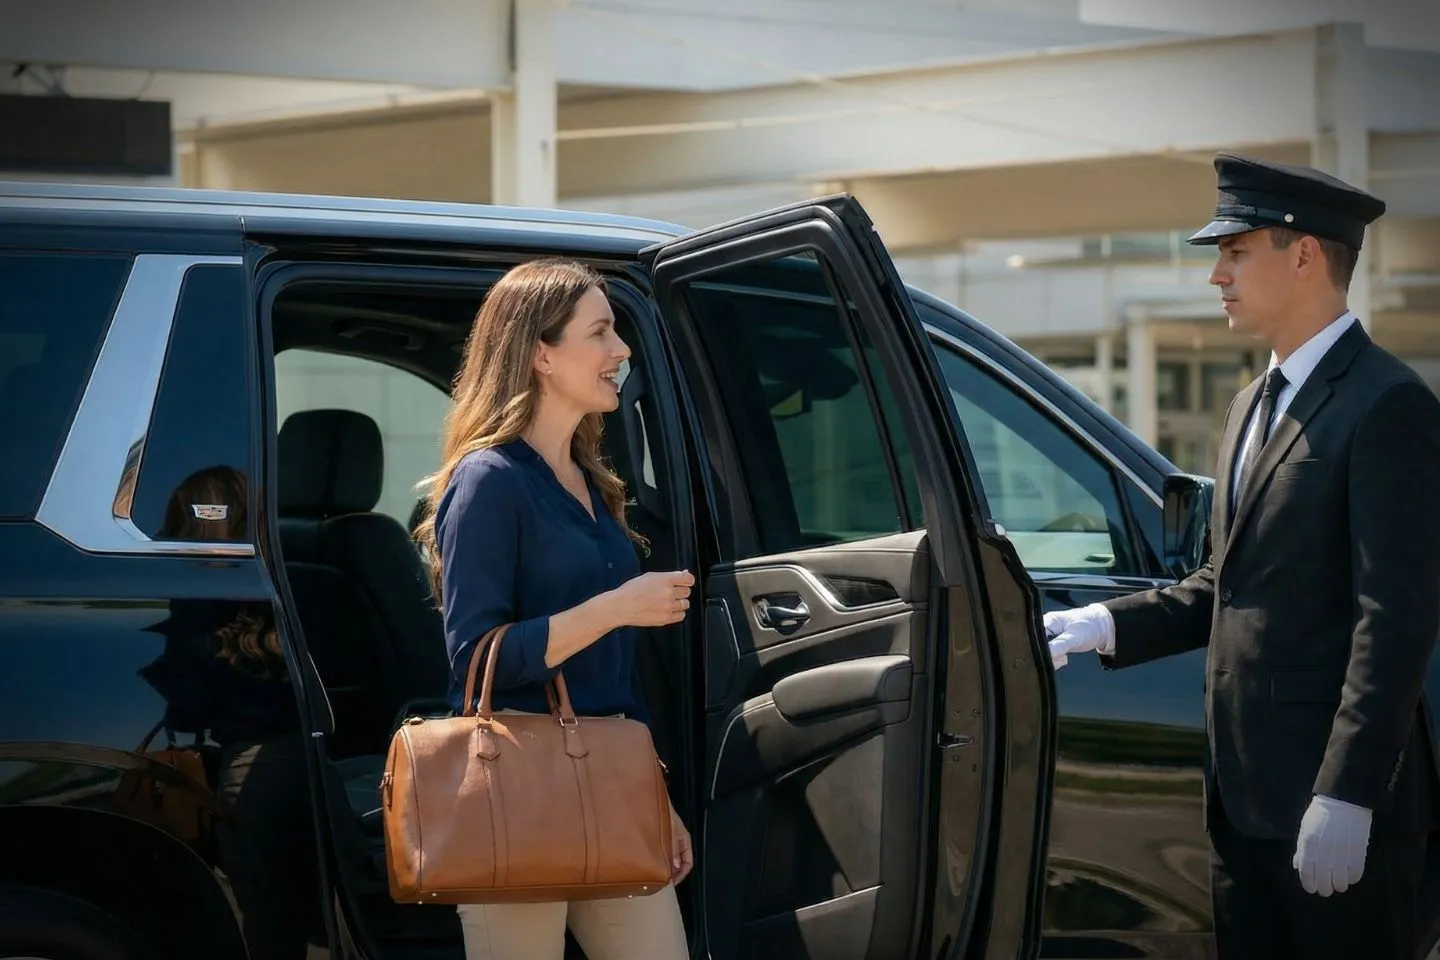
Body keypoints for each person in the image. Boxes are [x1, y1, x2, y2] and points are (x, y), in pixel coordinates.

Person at [1045, 154, 1440, 959]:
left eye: (1236, 251)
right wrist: (1102, 626)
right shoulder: (1250, 404)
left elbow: (1392, 622)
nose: (1216, 275)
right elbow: (1225, 584)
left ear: (1303, 255)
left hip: (1329, 808)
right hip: (1242, 799)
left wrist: (1350, 794)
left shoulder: (1388, 405)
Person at [412, 257, 696, 960]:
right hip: (515, 785)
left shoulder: (592, 483)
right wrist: (615, 607)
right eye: (600, 332)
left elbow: (615, 676)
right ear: (541, 353)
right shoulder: (489, 481)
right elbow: (478, 657)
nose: (621, 350)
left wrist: (654, 798)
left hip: (607, 776)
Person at [138, 465, 321, 960]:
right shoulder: (276, 577)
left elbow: (191, 706)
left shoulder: (195, 597)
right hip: (295, 752)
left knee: (264, 919)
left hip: (252, 763)